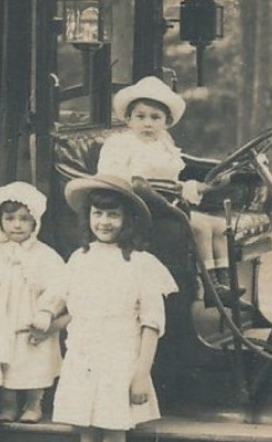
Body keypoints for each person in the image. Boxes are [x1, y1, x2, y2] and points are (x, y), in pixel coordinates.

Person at [33, 175, 178, 442]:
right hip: (83, 362)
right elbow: (60, 297)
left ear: (127, 220)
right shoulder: (80, 259)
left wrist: (141, 375)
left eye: (113, 215)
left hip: (119, 366)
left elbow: (151, 324)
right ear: (88, 218)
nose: (104, 222)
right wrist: (44, 315)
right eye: (98, 214)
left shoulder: (140, 264)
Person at [96, 75, 233, 300]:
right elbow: (114, 178)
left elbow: (174, 182)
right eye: (140, 117)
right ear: (128, 120)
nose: (147, 123)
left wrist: (199, 188)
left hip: (170, 203)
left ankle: (224, 281)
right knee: (201, 228)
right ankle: (210, 286)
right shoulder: (120, 145)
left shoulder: (164, 145)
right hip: (140, 207)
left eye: (155, 118)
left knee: (219, 226)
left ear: (166, 122)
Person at [0, 180, 66, 424]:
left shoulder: (45, 255)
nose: (17, 225)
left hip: (30, 317)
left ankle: (34, 403)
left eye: (24, 218)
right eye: (10, 219)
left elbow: (58, 286)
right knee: (5, 361)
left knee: (32, 357)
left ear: (35, 221)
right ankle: (8, 403)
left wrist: (46, 311)